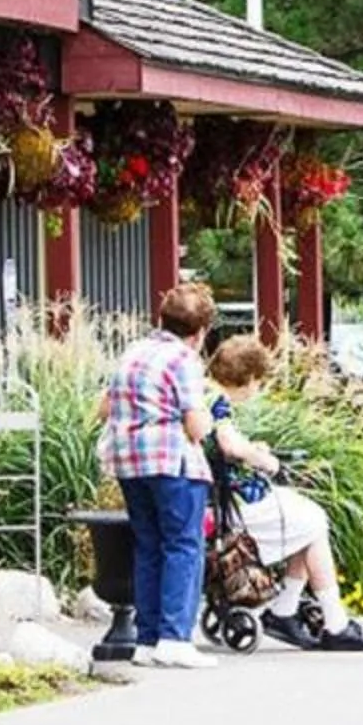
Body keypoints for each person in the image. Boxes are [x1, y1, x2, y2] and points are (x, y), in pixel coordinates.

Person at [202, 339, 363, 651]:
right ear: (248, 379)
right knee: (315, 520)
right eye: (258, 382)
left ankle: (289, 612)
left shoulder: (202, 393)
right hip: (240, 504)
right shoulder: (219, 402)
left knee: (307, 523)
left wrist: (250, 449)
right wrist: (266, 461)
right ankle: (331, 623)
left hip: (223, 500)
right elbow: (229, 445)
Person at [100, 279, 220, 668]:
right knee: (184, 544)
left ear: (161, 319)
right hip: (170, 462)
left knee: (148, 545)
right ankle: (175, 638)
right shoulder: (184, 360)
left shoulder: (132, 352)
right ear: (200, 332)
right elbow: (197, 424)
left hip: (128, 461)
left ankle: (147, 640)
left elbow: (104, 407)